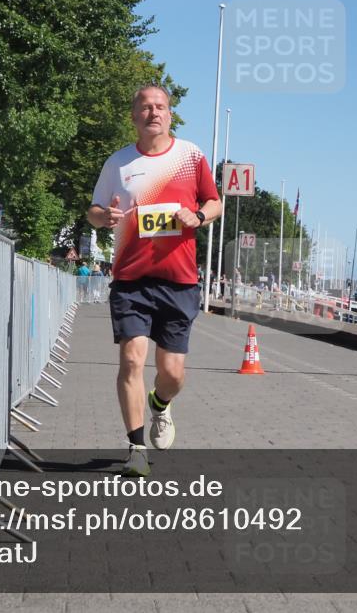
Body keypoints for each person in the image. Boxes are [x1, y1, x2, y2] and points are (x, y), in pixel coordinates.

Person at [87, 84, 221, 477]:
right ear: (134, 116)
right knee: (131, 359)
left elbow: (214, 201)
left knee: (173, 373)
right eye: (145, 107)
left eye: (160, 106)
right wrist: (104, 217)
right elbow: (94, 209)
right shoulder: (118, 163)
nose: (153, 113)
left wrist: (199, 216)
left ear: (170, 114)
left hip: (179, 281)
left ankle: (160, 404)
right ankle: (135, 448)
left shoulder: (190, 156)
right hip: (131, 279)